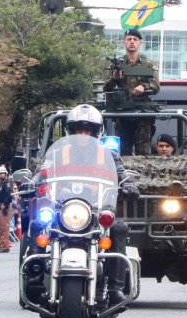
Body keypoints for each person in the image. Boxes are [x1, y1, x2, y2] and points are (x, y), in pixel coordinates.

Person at [59, 104, 138, 305]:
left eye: (88, 130)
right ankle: (34, 279)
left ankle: (115, 287)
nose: (83, 134)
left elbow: (121, 173)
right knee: (38, 225)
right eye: (78, 129)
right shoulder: (60, 152)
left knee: (118, 227)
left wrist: (128, 185)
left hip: (99, 206)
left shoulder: (108, 154)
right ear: (71, 131)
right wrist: (33, 182)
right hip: (65, 207)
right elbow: (44, 170)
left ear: (96, 132)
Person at [103, 29, 160, 156]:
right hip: (122, 113)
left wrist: (144, 87)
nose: (132, 42)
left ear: (140, 43)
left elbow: (156, 86)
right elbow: (106, 88)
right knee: (122, 151)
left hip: (143, 113)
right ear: (124, 42)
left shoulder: (149, 64)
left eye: (135, 39)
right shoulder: (117, 64)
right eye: (129, 39)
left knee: (143, 150)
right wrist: (115, 78)